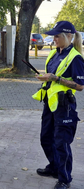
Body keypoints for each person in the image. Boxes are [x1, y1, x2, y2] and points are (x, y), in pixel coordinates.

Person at [32, 21, 84, 189]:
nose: (53, 39)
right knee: (46, 138)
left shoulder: (75, 57)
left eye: (57, 36)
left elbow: (80, 86)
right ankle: (54, 167)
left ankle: (64, 178)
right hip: (50, 103)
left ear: (68, 36)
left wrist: (55, 79)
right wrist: (45, 77)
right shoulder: (55, 53)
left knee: (61, 143)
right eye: (53, 35)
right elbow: (52, 74)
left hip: (65, 106)